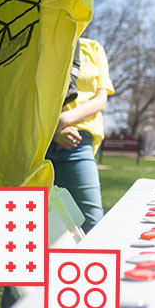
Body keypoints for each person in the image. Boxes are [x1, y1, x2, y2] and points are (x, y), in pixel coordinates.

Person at [46, 38, 114, 233]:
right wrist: (51, 130)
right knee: (38, 223)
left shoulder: (93, 48)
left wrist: (61, 121)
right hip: (38, 142)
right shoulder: (41, 41)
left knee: (91, 222)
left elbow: (100, 101)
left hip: (76, 144)